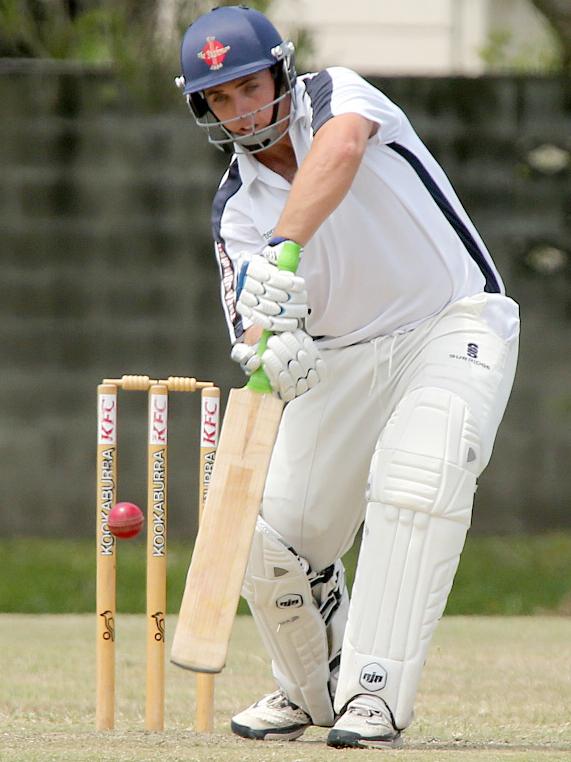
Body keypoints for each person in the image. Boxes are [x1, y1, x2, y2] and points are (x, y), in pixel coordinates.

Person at [176, 5, 519, 750]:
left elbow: (339, 153)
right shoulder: (234, 210)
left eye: (249, 86)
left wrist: (283, 245)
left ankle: (374, 695)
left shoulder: (340, 97)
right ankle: (309, 692)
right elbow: (253, 324)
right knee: (266, 537)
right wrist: (272, 349)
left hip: (450, 323)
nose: (240, 111)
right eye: (220, 99)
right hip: (343, 360)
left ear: (280, 71)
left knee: (415, 479)